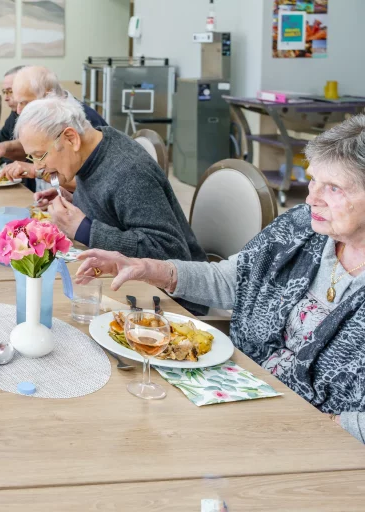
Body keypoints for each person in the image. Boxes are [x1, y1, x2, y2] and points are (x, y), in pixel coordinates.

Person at [75, 114, 365, 445]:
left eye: (333, 188)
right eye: (313, 181)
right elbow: (232, 280)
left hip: (317, 440)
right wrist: (144, 267)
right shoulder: (303, 226)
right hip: (242, 388)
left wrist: (318, 427)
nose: (312, 198)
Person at [18, 95, 206, 314]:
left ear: (71, 138)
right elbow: (114, 210)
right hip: (129, 284)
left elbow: (170, 253)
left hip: (170, 305)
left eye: (41, 156)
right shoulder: (94, 150)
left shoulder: (129, 171)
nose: (39, 167)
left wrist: (84, 229)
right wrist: (75, 202)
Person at [0, 66, 108, 187]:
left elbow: (93, 184)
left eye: (24, 103)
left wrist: (36, 172)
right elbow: (40, 145)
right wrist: (6, 147)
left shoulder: (81, 121)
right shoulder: (49, 116)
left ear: (48, 95)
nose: (19, 111)